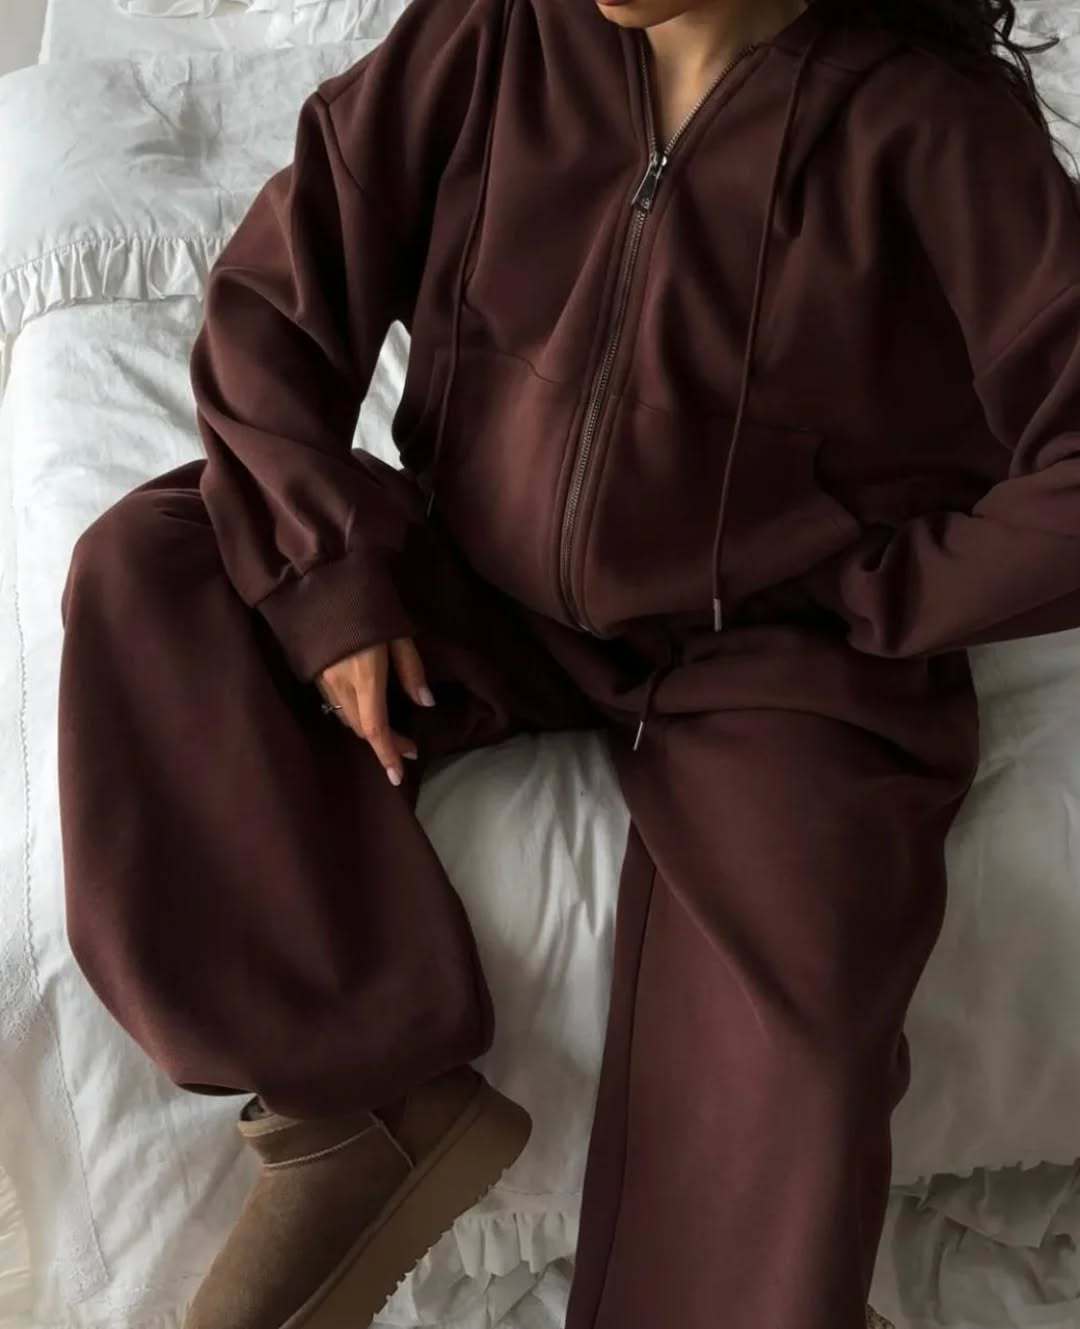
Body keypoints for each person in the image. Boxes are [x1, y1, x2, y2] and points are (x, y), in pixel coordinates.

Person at [55, 0, 1080, 1325]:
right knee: (152, 564)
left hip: (779, 657)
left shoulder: (934, 126)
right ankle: (364, 1107)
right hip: (475, 582)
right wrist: (331, 579)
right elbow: (280, 298)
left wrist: (885, 594)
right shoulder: (493, 34)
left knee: (798, 1037)